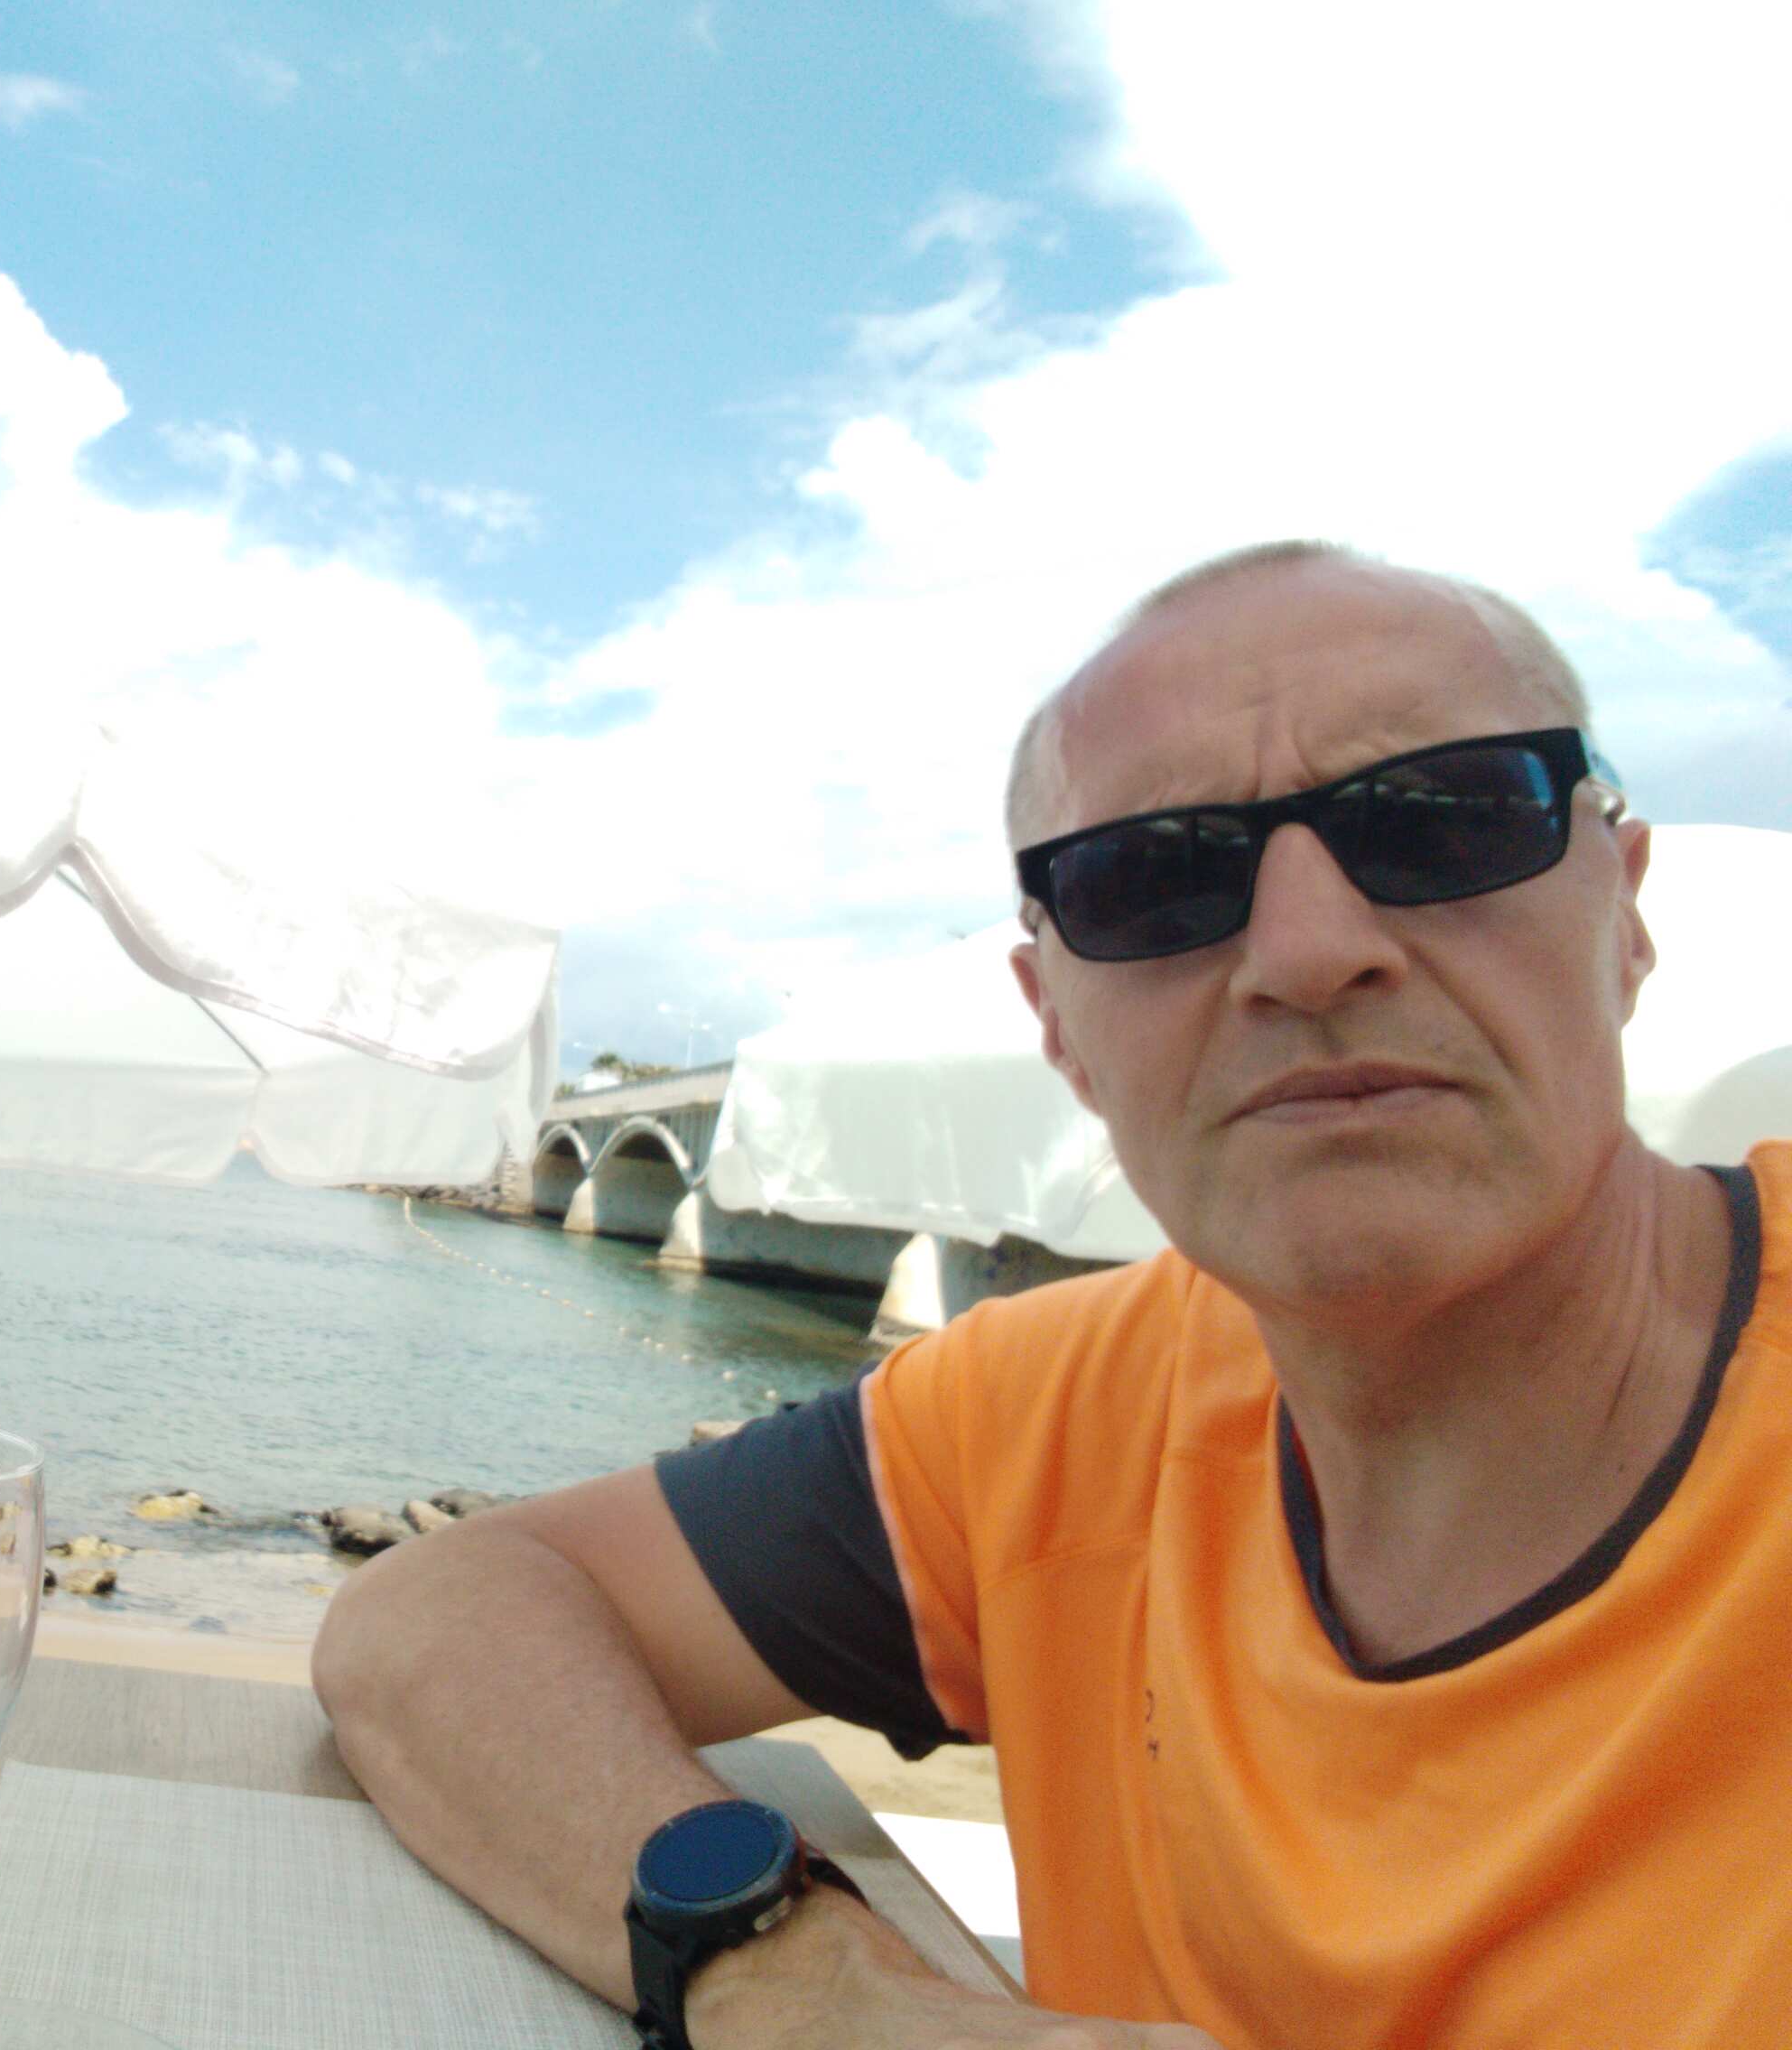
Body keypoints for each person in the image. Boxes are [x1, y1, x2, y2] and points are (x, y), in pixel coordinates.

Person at [315, 543, 1789, 2049]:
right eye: (1154, 877)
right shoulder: (1046, 1417)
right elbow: (434, 1617)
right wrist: (807, 1985)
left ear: (1623, 910)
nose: (1308, 951)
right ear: (1058, 1028)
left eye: (1440, 821)